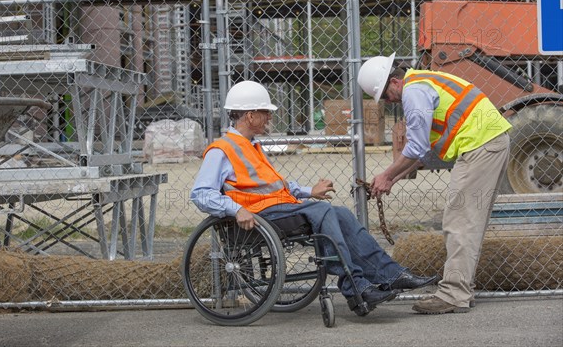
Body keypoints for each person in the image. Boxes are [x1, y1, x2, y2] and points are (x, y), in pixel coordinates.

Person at [190, 80, 436, 315]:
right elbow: (201, 194)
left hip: (278, 209)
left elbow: (276, 186)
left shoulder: (250, 145)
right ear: (250, 115)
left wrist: (309, 191)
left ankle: (391, 275)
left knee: (341, 213)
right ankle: (355, 286)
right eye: (266, 112)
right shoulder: (222, 149)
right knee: (322, 211)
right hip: (257, 217)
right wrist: (235, 210)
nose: (270, 117)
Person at [357, 53, 512, 314]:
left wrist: (385, 175)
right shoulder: (423, 83)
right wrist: (392, 178)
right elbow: (424, 151)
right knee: (467, 221)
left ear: (395, 82)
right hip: (488, 142)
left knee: (459, 221)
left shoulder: (414, 92)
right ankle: (460, 289)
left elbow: (416, 147)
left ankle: (454, 294)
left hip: (480, 145)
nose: (388, 101)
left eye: (385, 95)